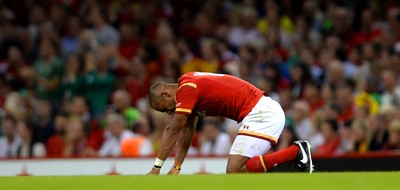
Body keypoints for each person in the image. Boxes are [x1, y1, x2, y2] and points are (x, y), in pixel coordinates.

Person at [147, 71, 313, 174]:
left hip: (260, 112)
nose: (168, 112)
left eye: (164, 109)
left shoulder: (186, 88)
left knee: (233, 169)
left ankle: (296, 152)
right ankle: (296, 153)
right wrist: (176, 166)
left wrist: (156, 168)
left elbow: (173, 128)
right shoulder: (188, 89)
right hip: (261, 111)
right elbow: (187, 129)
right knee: (239, 171)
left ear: (165, 94)